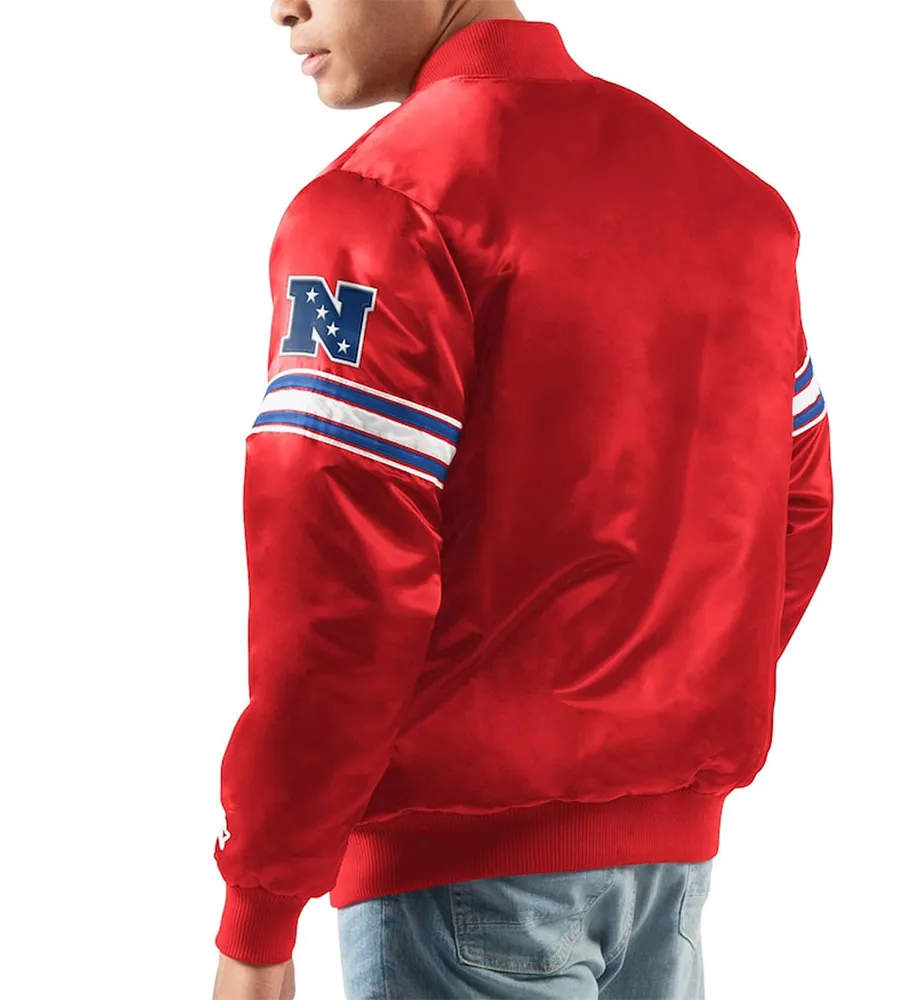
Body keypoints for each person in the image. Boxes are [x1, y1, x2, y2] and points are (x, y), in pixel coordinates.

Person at [211, 1, 834, 998]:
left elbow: (337, 595)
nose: (281, 4)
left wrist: (260, 906)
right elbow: (791, 509)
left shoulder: (382, 207)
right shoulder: (733, 204)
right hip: (670, 876)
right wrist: (647, 716)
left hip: (452, 880)